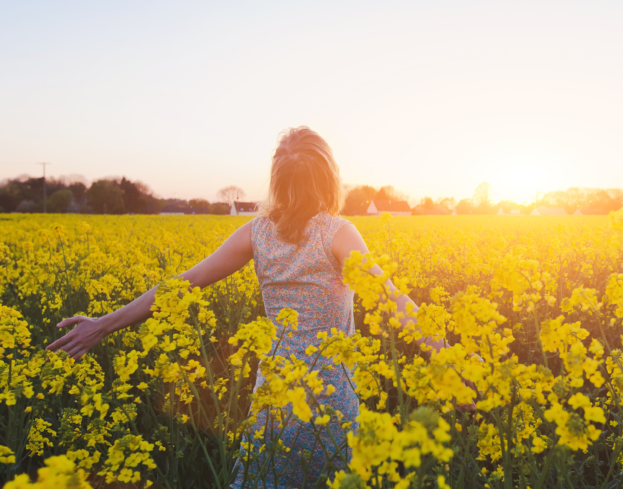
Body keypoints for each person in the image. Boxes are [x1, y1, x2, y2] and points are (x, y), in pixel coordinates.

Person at [46, 127, 449, 487]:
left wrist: (103, 324)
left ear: (277, 179)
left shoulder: (256, 233)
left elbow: (176, 287)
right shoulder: (339, 233)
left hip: (273, 393)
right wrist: (448, 362)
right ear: (329, 177)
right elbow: (393, 299)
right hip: (329, 395)